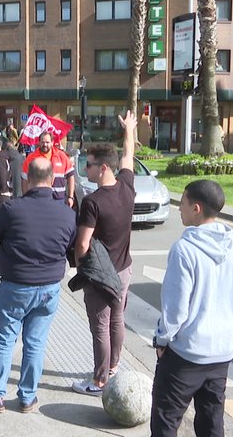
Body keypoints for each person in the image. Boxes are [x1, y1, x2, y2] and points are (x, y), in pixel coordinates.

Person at [150, 180, 233, 436]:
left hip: (185, 355)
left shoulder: (184, 250)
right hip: (221, 354)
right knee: (212, 423)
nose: (179, 208)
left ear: (196, 208)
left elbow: (176, 309)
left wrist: (162, 339)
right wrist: (232, 328)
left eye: (183, 202)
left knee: (166, 422)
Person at [0, 158, 76, 414]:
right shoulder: (67, 213)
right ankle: (28, 397)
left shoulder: (11, 209)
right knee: (36, 343)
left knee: (5, 341)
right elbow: (71, 248)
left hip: (16, 285)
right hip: (50, 287)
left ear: (26, 180)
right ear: (52, 180)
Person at [71, 111, 137, 396]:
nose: (87, 168)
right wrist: (129, 131)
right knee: (117, 319)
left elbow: (83, 244)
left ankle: (99, 382)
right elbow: (128, 157)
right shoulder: (127, 188)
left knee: (100, 326)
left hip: (99, 274)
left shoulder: (93, 202)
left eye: (90, 165)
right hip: (123, 269)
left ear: (104, 168)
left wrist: (78, 265)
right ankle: (113, 367)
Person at [22, 131, 75, 205]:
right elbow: (24, 179)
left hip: (58, 200)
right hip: (37, 201)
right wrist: (25, 197)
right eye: (42, 142)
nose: (45, 144)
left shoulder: (61, 156)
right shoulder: (31, 158)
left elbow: (71, 176)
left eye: (47, 142)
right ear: (39, 142)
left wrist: (70, 197)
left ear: (52, 142)